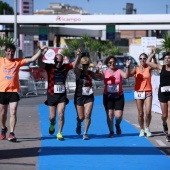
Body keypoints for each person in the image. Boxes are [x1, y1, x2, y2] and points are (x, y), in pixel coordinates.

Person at [0, 44, 48, 142]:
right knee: (3, 113)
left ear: (14, 52)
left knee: (13, 111)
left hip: (13, 91)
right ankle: (3, 128)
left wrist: (40, 50)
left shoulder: (18, 61)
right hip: (2, 91)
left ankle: (12, 133)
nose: (10, 53)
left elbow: (32, 59)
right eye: (8, 51)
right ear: (5, 52)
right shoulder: (1, 61)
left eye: (12, 51)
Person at [38, 49, 81, 140]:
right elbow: (39, 63)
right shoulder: (50, 67)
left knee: (61, 114)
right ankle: (52, 123)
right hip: (51, 95)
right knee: (52, 117)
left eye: (60, 62)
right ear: (54, 61)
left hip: (62, 96)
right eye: (57, 62)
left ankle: (59, 133)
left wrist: (78, 56)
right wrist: (41, 54)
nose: (59, 64)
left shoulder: (65, 67)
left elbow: (74, 64)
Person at [98, 56, 131, 138]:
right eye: (110, 62)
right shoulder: (105, 72)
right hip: (108, 96)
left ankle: (117, 125)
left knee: (118, 116)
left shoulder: (119, 71)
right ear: (108, 64)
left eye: (113, 62)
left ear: (116, 63)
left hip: (118, 95)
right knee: (110, 114)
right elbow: (100, 77)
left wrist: (127, 67)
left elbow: (126, 76)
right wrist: (99, 69)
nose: (112, 64)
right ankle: (111, 131)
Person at [74, 55, 102, 140]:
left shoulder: (90, 73)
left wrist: (99, 69)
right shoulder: (79, 72)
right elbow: (74, 66)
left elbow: (99, 78)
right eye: (83, 65)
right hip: (79, 96)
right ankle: (79, 123)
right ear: (81, 65)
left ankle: (85, 133)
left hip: (89, 97)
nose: (85, 66)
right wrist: (78, 57)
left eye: (86, 65)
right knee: (81, 117)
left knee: (88, 115)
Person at [130, 52, 157, 137]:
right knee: (140, 113)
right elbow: (129, 74)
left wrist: (153, 56)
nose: (142, 60)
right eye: (141, 58)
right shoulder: (136, 68)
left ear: (146, 59)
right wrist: (128, 67)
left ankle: (147, 128)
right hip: (138, 92)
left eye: (144, 58)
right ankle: (141, 129)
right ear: (139, 60)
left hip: (148, 92)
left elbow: (155, 65)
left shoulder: (148, 68)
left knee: (148, 112)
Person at [146, 50, 170, 142]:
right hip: (163, 93)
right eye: (166, 58)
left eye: (169, 58)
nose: (167, 60)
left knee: (169, 112)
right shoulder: (160, 67)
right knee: (164, 115)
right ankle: (164, 124)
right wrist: (152, 54)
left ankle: (169, 134)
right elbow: (148, 62)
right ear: (164, 60)